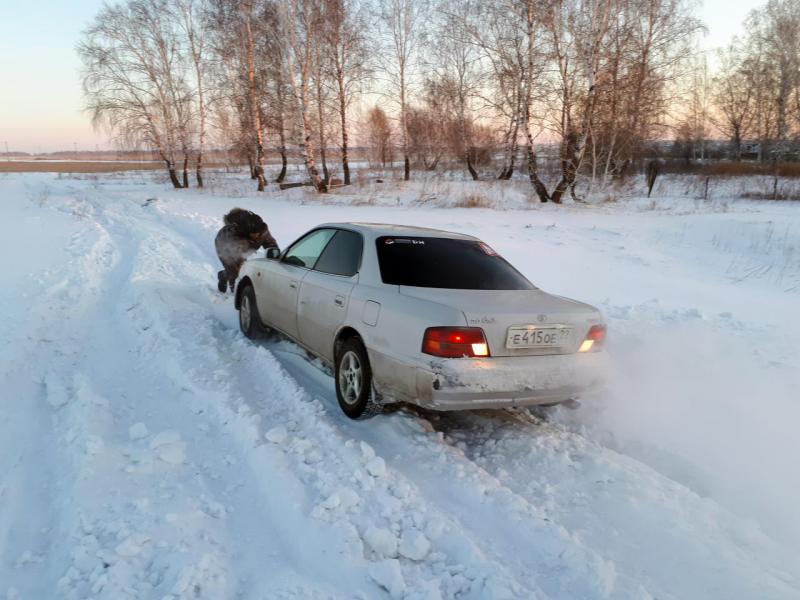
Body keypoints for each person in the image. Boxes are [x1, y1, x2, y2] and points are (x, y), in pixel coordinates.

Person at [215, 208, 278, 293]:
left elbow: (271, 244)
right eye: (253, 234)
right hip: (224, 245)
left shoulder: (263, 232)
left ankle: (229, 279)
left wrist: (275, 254)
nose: (256, 236)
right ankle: (226, 281)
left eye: (257, 234)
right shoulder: (235, 235)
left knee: (240, 269)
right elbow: (235, 256)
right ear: (246, 231)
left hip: (244, 248)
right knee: (234, 271)